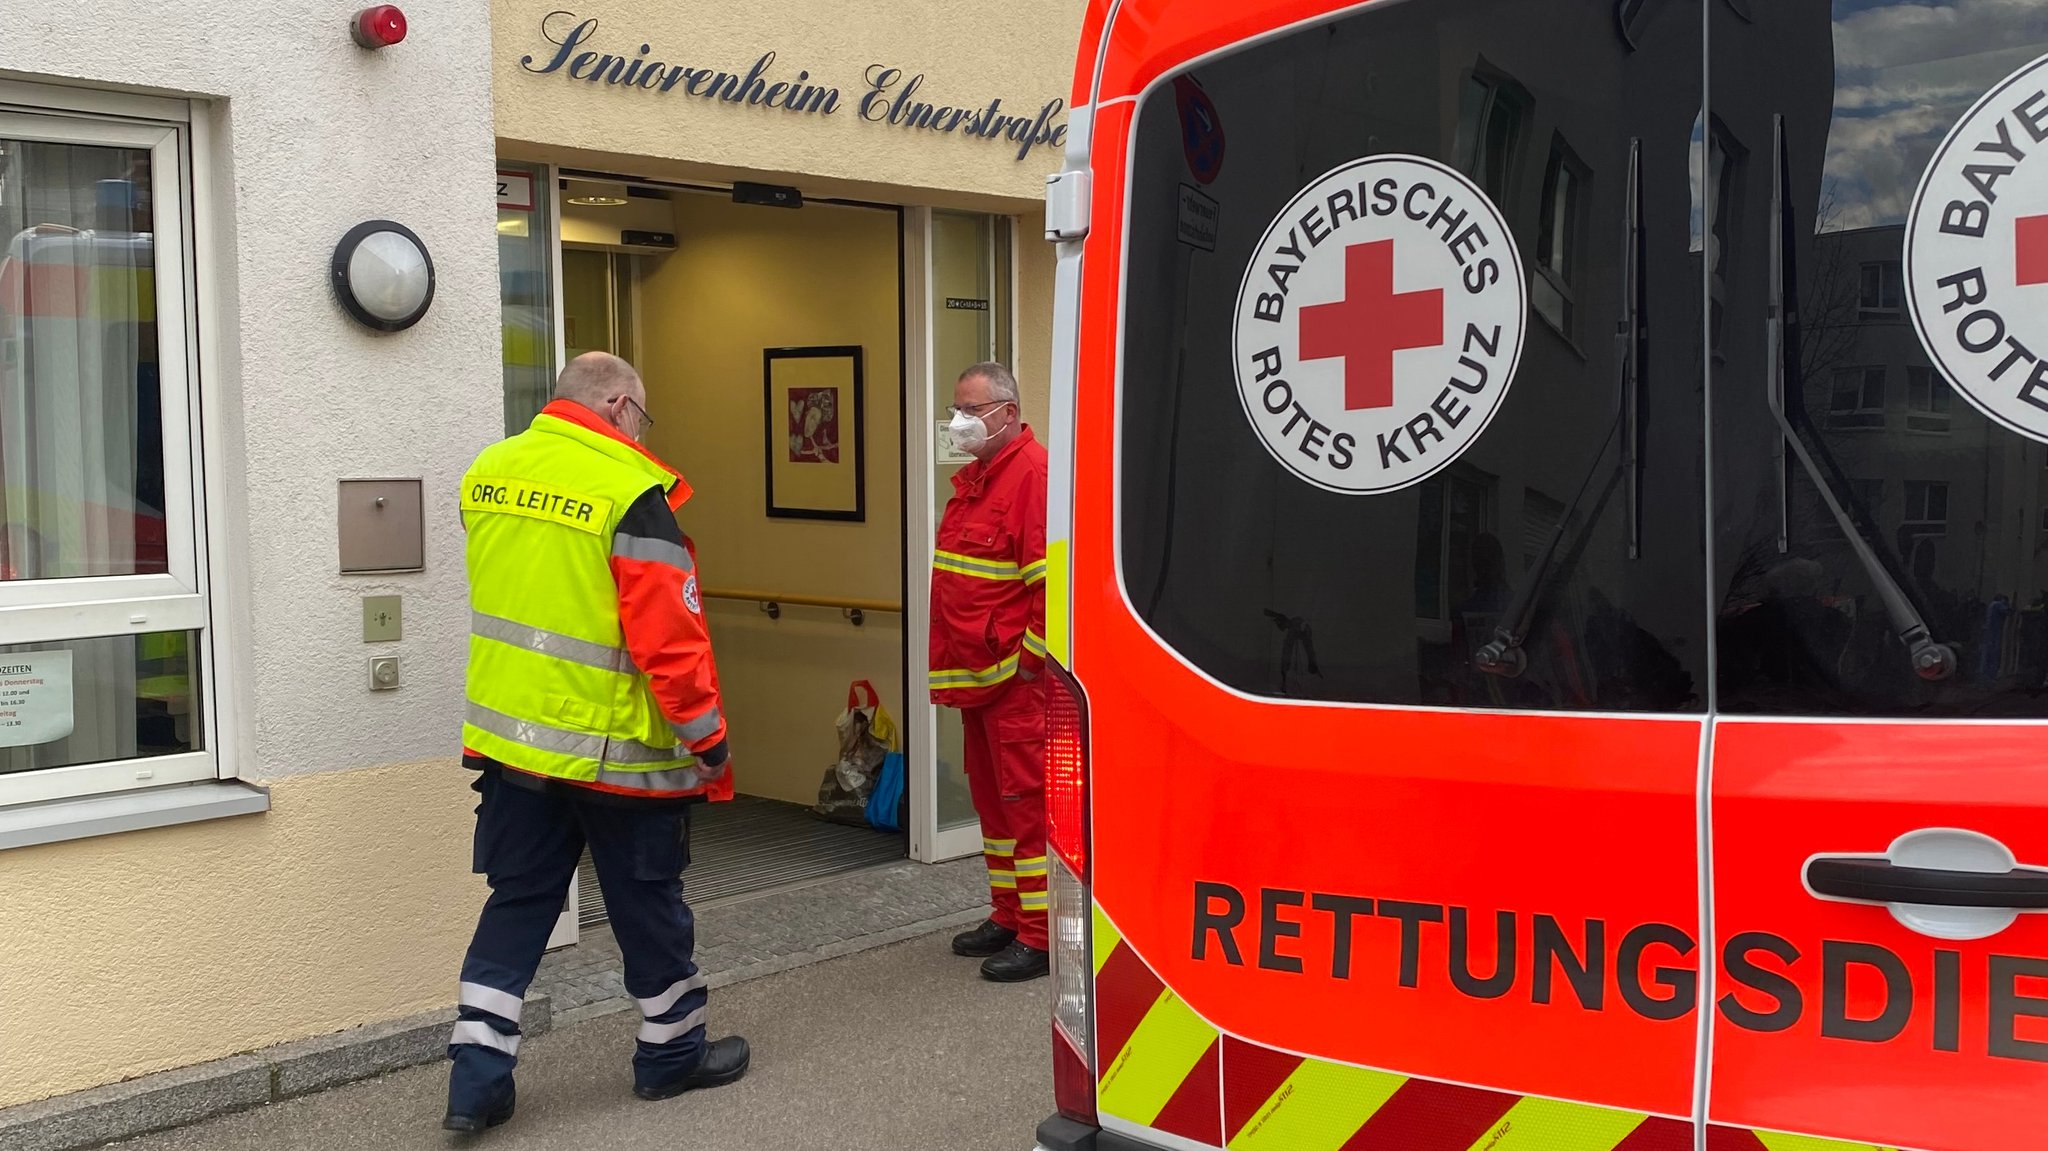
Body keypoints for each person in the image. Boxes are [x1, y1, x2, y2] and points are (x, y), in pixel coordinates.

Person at [443, 352, 748, 1132]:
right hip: (615, 755)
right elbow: (669, 644)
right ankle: (670, 1056)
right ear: (618, 406)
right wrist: (709, 741)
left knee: (517, 905)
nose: (642, 431)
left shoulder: (491, 470)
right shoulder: (629, 493)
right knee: (647, 905)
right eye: (641, 416)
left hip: (517, 747)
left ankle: (475, 1082)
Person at [930, 362, 1051, 982]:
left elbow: (1049, 587)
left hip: (1014, 684)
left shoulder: (1031, 476)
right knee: (993, 808)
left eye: (970, 410)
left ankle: (1041, 934)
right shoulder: (977, 478)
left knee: (1026, 807)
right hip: (978, 677)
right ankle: (1007, 915)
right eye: (957, 408)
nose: (959, 421)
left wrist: (1028, 666)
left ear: (1007, 412)